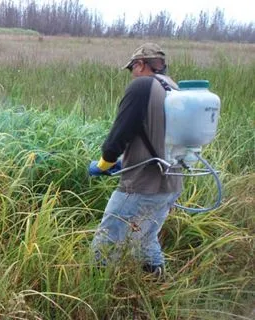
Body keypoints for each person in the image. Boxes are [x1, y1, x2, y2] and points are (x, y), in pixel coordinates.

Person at [89, 43, 183, 278]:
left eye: (132, 68)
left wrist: (104, 163)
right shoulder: (174, 88)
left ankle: (94, 291)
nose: (132, 73)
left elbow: (120, 133)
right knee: (146, 237)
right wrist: (125, 160)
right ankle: (158, 285)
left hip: (142, 184)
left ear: (141, 64)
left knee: (106, 239)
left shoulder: (142, 86)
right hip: (171, 183)